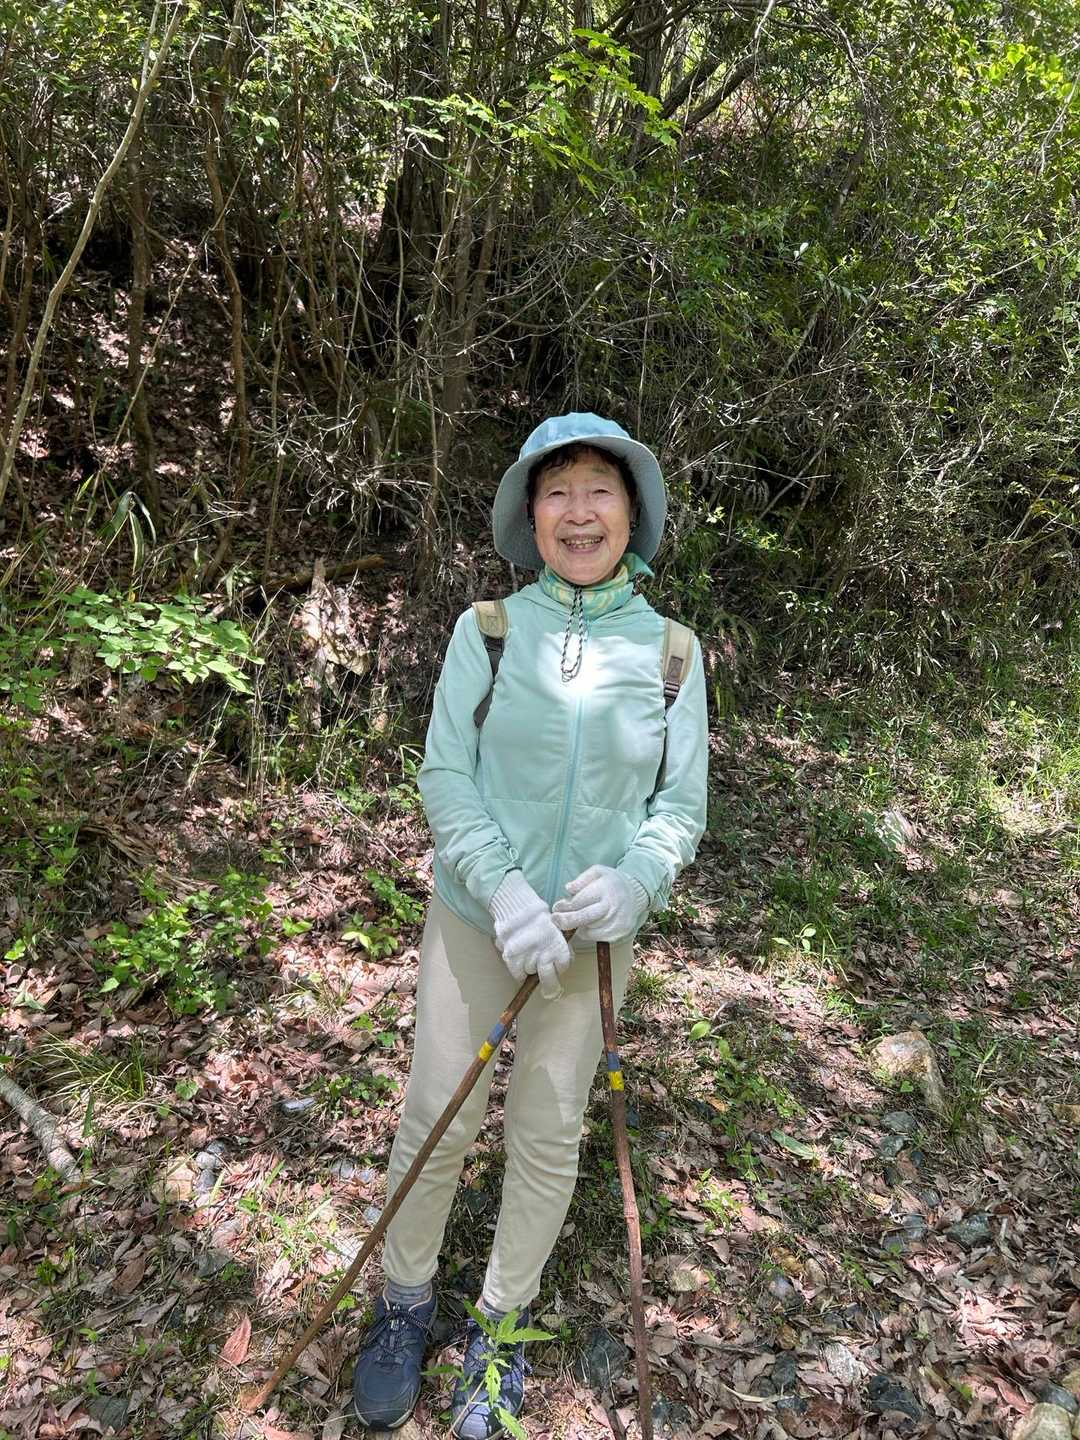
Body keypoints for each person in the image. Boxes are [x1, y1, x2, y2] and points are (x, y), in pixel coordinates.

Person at [351, 413, 708, 1437]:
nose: (579, 511)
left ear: (632, 513)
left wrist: (636, 883)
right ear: (530, 513)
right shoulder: (490, 631)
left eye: (600, 489)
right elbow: (445, 775)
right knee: (437, 1114)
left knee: (548, 1136)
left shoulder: (674, 653)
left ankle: (499, 1328)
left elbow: (679, 807)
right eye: (558, 490)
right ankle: (404, 1303)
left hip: (591, 945)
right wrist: (503, 891)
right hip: (478, 918)